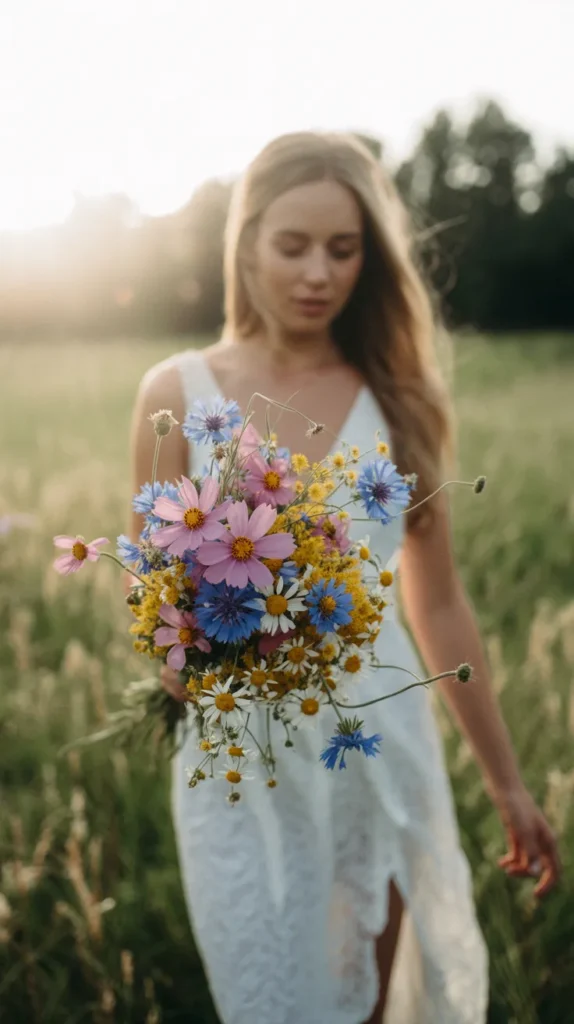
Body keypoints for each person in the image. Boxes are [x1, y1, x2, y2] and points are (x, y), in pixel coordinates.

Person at [129, 131, 560, 1024]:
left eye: (345, 247)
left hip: (375, 744)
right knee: (265, 994)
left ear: (372, 258)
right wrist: (186, 655)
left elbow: (436, 602)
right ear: (246, 244)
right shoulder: (175, 392)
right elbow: (151, 589)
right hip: (238, 756)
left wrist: (508, 782)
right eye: (293, 245)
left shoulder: (399, 399)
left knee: (362, 996)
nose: (319, 272)